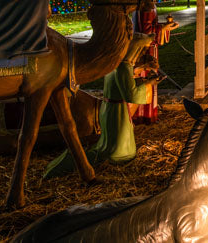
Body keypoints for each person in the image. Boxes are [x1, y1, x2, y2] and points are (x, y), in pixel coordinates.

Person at [44, 34, 157, 179]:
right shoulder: (123, 66)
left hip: (110, 107)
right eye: (141, 49)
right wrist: (149, 83)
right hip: (117, 111)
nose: (143, 53)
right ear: (134, 49)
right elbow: (131, 94)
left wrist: (142, 70)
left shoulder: (116, 63)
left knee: (110, 139)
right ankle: (118, 155)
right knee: (116, 147)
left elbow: (124, 80)